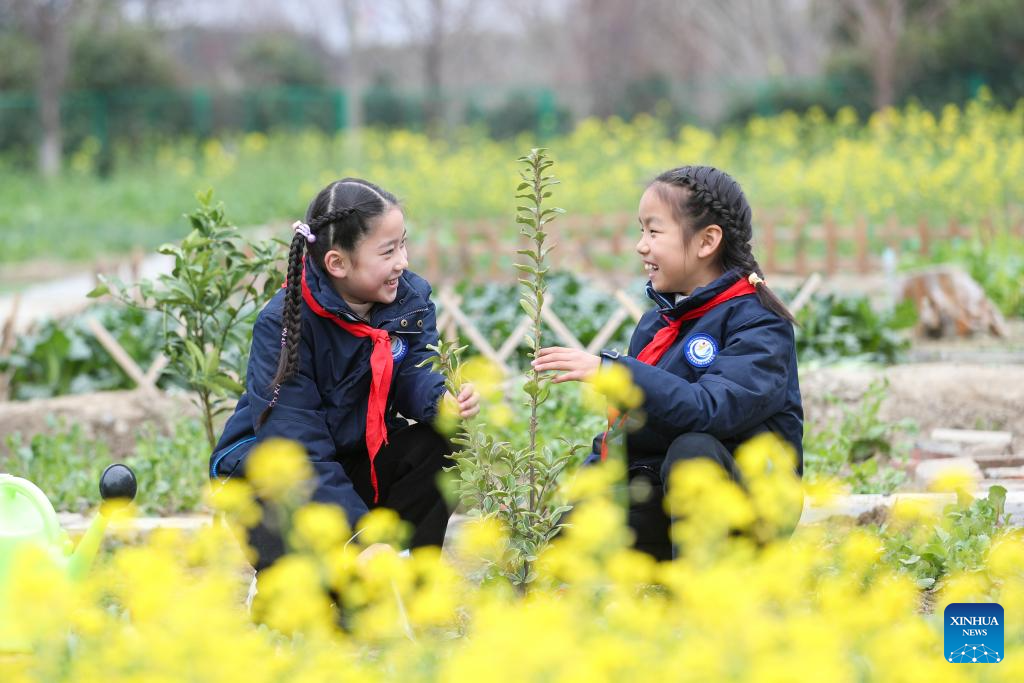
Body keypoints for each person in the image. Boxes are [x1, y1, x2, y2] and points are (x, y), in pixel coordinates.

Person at [532, 165, 803, 560]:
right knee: (568, 533)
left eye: (654, 232)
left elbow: (709, 410)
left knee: (694, 449)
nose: (640, 246)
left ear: (707, 241)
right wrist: (575, 507)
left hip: (752, 509)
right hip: (669, 497)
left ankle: (703, 586)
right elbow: (623, 434)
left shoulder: (759, 323)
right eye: (640, 231)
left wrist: (616, 372)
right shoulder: (656, 325)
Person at [209, 178, 478, 570]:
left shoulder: (408, 298)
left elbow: (414, 366)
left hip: (351, 458)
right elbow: (297, 444)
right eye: (388, 251)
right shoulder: (285, 323)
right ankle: (317, 574)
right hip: (274, 479)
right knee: (315, 598)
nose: (402, 262)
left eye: (402, 244)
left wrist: (440, 399)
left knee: (442, 442)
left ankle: (407, 577)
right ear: (337, 263)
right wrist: (358, 535)